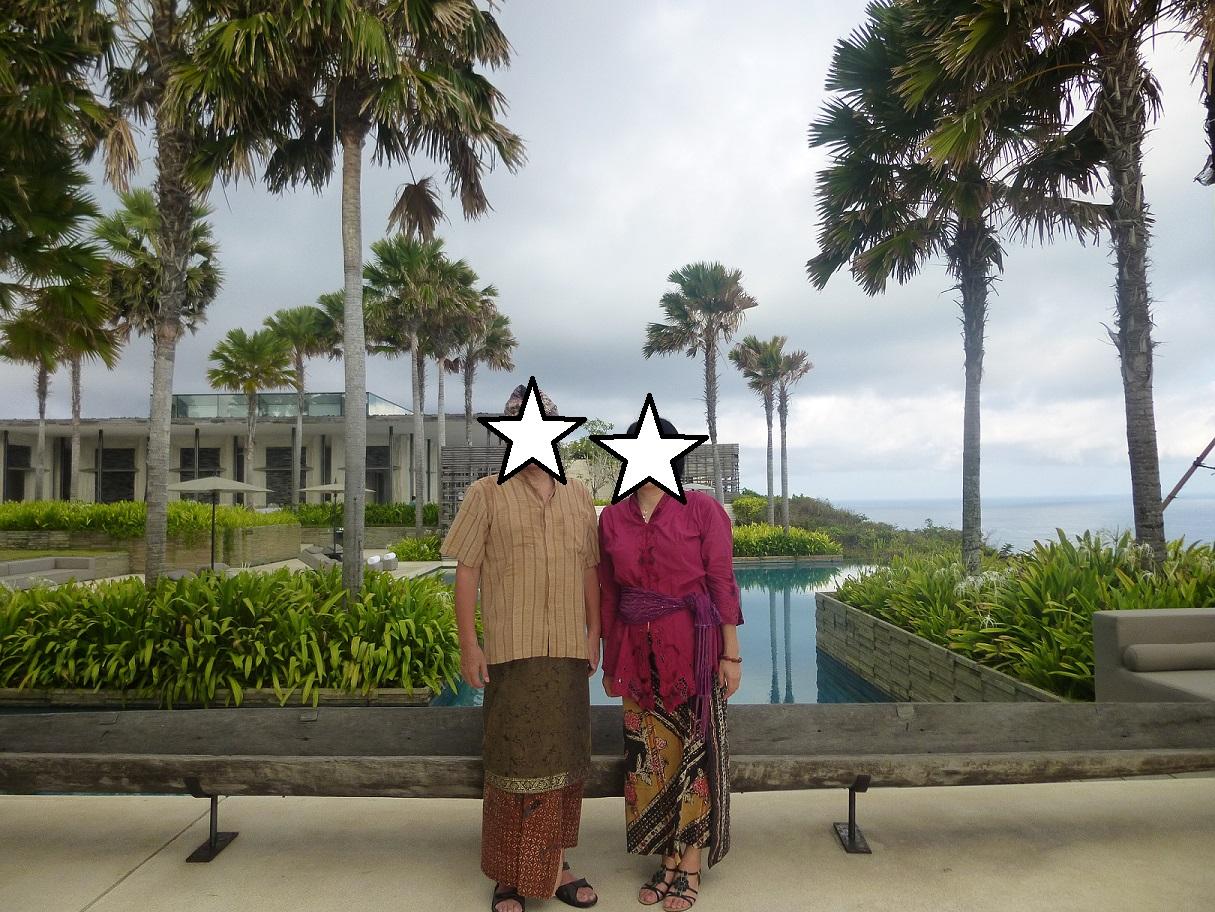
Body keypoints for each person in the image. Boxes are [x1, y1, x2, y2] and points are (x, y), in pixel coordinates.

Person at [442, 384, 602, 912]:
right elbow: (467, 571)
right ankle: (508, 874)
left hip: (567, 654)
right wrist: (470, 645)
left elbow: (591, 571)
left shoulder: (578, 496)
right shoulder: (485, 493)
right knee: (513, 764)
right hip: (511, 653)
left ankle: (557, 864)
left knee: (565, 762)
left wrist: (594, 634)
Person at [598, 419, 742, 912]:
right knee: (650, 760)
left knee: (693, 759)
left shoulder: (701, 509)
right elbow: (610, 592)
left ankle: (691, 863)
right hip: (636, 655)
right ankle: (666, 859)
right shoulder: (612, 518)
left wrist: (730, 653)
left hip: (694, 652)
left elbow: (722, 582)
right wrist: (609, 658)